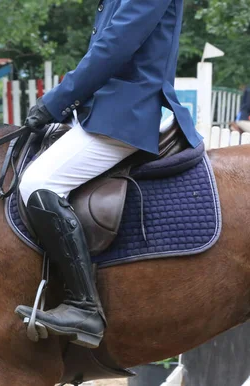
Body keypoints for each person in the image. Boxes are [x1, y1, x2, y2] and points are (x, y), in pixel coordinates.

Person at [15, 0, 203, 349]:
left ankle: (83, 307)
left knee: (39, 183)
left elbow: (113, 47)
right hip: (103, 109)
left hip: (128, 111)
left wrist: (55, 100)